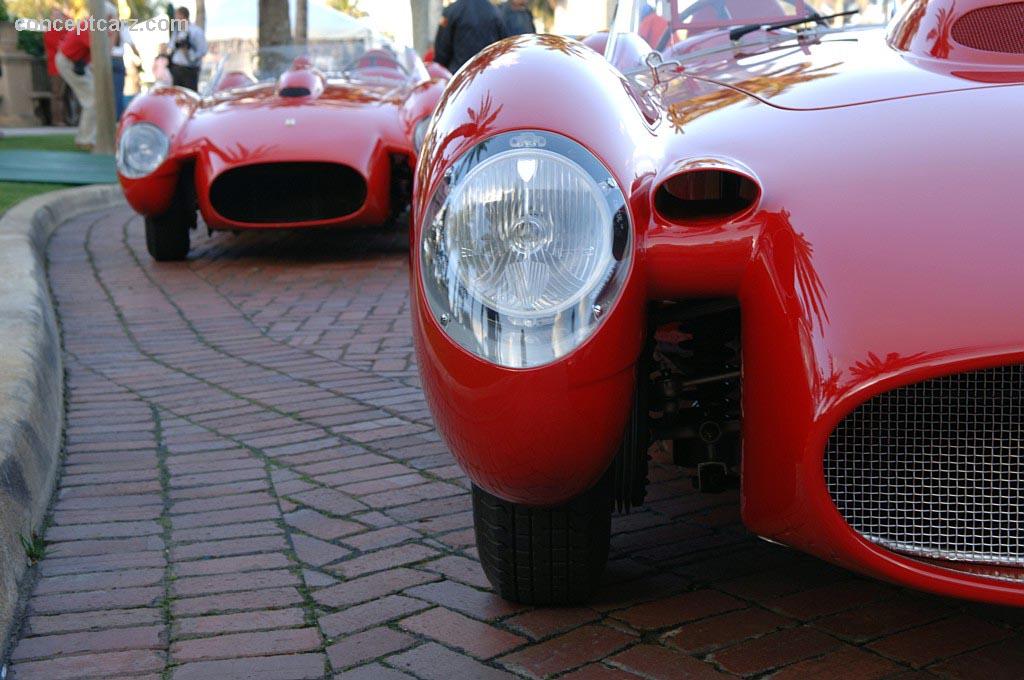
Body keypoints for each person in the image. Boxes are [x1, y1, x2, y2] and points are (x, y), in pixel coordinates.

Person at [56, 3, 118, 149]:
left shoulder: (93, 26)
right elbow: (103, 53)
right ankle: (85, 139)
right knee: (93, 99)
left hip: (76, 62)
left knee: (95, 97)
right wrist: (114, 32)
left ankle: (88, 137)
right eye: (111, 18)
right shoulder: (91, 27)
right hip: (68, 62)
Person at [434, 0, 510, 74]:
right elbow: (503, 45)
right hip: (486, 72)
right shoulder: (494, 11)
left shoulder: (452, 10)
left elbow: (442, 47)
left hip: (459, 73)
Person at [167, 6, 206, 91]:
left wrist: (189, 52)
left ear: (183, 16)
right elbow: (171, 46)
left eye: (177, 17)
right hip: (176, 70)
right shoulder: (177, 31)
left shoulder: (196, 31)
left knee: (190, 97)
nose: (175, 19)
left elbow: (202, 51)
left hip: (190, 71)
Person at [42, 8, 69, 126]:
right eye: (56, 16)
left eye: (60, 16)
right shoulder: (50, 32)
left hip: (67, 67)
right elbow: (61, 46)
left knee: (66, 94)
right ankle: (57, 120)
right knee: (57, 94)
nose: (59, 19)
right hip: (56, 68)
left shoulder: (66, 30)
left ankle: (67, 118)